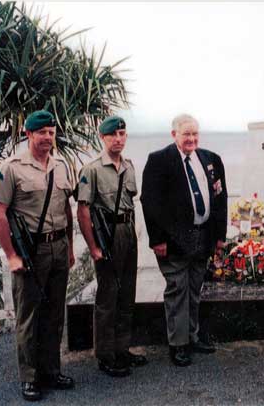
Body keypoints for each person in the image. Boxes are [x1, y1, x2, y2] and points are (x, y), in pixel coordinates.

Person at [0, 110, 75, 401]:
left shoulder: (62, 165)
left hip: (59, 247)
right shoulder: (12, 168)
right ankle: (29, 377)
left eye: (51, 132)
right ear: (29, 134)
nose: (48, 137)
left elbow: (67, 210)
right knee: (28, 315)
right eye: (42, 132)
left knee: (54, 313)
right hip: (30, 252)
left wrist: (71, 248)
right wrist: (11, 255)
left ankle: (51, 370)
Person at [140, 114, 227, 367]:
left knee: (194, 289)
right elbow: (150, 202)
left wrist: (220, 237)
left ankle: (192, 335)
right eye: (186, 134)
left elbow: (220, 199)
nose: (191, 139)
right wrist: (157, 240)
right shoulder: (159, 160)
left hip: (203, 236)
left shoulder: (211, 159)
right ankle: (178, 345)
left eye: (195, 134)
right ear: (174, 134)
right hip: (173, 240)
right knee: (177, 289)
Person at [76, 116, 147, 378]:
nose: (118, 139)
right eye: (112, 134)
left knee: (127, 293)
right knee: (108, 296)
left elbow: (131, 201)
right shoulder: (91, 170)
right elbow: (83, 212)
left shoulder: (128, 167)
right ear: (102, 138)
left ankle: (122, 348)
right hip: (107, 236)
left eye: (122, 133)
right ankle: (106, 355)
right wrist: (93, 247)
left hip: (128, 233)